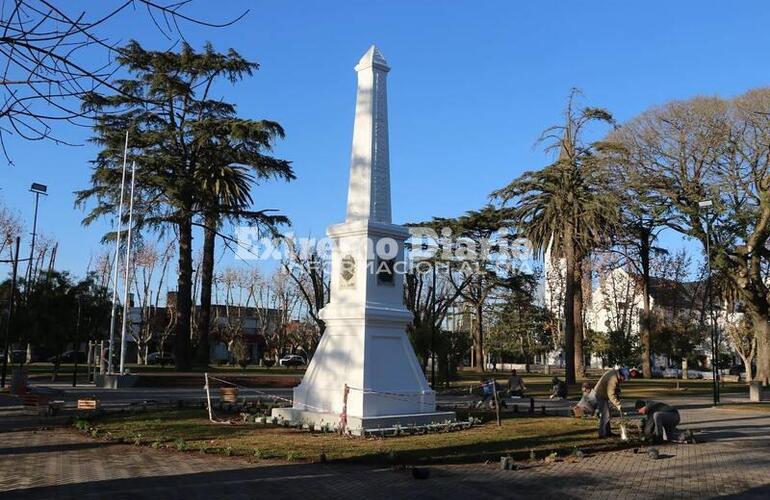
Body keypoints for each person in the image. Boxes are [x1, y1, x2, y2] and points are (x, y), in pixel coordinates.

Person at [593, 368, 627, 438]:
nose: (624, 380)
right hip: (600, 394)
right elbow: (611, 394)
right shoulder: (613, 379)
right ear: (621, 375)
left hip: (603, 393)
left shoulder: (615, 374)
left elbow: (614, 389)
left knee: (607, 414)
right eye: (624, 378)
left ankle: (607, 432)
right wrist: (618, 405)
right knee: (605, 414)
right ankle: (602, 434)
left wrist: (617, 391)